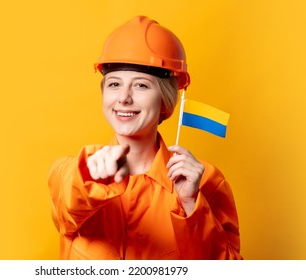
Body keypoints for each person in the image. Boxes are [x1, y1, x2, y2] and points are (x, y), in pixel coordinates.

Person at [47, 15, 242, 260]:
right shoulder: (74, 173)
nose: (124, 98)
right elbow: (67, 203)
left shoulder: (207, 183)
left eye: (141, 85)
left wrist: (193, 206)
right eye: (114, 84)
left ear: (165, 100)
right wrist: (90, 177)